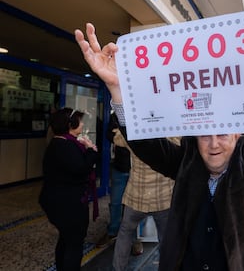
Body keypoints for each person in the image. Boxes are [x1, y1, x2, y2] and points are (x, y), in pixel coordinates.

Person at [75, 8, 244, 270]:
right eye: (204, 134)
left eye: (222, 132)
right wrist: (118, 90)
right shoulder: (185, 163)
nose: (213, 144)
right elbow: (145, 144)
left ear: (237, 132)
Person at [39, 108, 98, 271]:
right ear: (70, 124)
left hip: (60, 201)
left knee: (66, 239)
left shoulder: (61, 142)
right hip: (68, 205)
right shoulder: (65, 146)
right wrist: (91, 151)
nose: (83, 123)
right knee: (74, 244)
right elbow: (81, 168)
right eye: (80, 120)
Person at [112, 131, 178, 271]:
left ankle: (118, 268)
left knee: (125, 233)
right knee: (166, 240)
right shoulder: (170, 134)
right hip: (163, 197)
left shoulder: (135, 134)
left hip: (136, 196)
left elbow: (117, 139)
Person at [97, 112, 132, 247]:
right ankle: (112, 231)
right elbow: (110, 135)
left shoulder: (142, 111)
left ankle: (134, 239)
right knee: (116, 202)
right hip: (120, 166)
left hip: (139, 169)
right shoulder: (116, 114)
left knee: (135, 206)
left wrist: (121, 134)